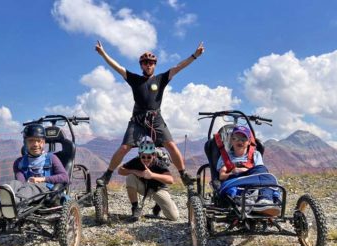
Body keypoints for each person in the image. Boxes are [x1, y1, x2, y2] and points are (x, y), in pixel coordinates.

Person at [95, 40, 205, 187]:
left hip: (156, 119)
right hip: (137, 120)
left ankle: (183, 175)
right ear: (141, 65)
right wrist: (103, 54)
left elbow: (179, 67)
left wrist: (195, 55)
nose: (148, 65)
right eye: (145, 62)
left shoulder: (161, 79)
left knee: (171, 146)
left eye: (151, 63)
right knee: (124, 148)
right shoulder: (135, 79)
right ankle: (107, 175)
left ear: (155, 65)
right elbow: (117, 67)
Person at [0, 124, 69, 219]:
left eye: (39, 141)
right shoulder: (19, 162)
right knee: (13, 184)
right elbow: (20, 181)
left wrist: (42, 179)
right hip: (26, 187)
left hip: (46, 190)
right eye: (31, 141)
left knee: (29, 189)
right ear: (25, 143)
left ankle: (10, 206)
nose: (35, 144)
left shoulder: (51, 158)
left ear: (44, 142)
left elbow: (64, 177)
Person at [216, 125, 280, 215]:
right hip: (235, 181)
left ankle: (263, 201)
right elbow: (221, 176)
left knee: (263, 171)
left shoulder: (256, 155)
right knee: (266, 177)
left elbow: (261, 174)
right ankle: (253, 199)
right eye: (236, 138)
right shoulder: (225, 157)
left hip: (254, 180)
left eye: (243, 139)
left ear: (249, 141)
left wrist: (247, 170)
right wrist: (236, 171)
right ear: (231, 140)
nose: (240, 141)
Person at [118, 139, 179, 222]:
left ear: (154, 155)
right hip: (143, 187)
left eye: (149, 157)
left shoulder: (159, 163)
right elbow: (120, 170)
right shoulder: (136, 161)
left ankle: (159, 205)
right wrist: (135, 171)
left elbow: (170, 180)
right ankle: (135, 209)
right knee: (130, 177)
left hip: (158, 189)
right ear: (139, 156)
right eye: (143, 157)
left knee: (174, 217)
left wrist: (152, 175)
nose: (146, 159)